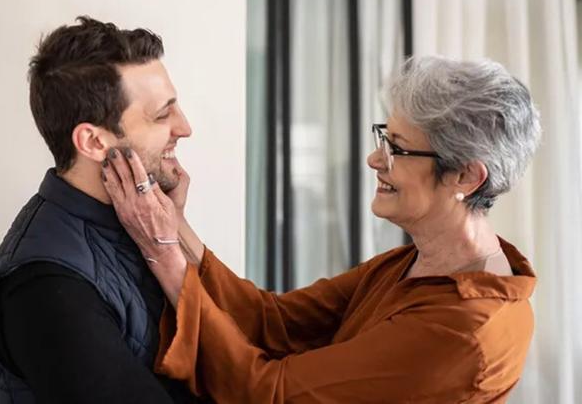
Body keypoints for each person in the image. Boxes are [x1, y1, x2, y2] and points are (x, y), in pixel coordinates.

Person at [102, 56, 541, 403]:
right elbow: (275, 322)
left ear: (466, 177)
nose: (375, 160)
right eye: (383, 138)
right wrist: (175, 225)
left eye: (398, 150)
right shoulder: (423, 260)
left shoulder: (464, 329)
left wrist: (163, 254)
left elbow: (269, 393)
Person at [0, 16, 197, 403]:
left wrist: (177, 234)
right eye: (162, 115)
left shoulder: (142, 224)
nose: (185, 127)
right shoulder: (43, 289)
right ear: (93, 141)